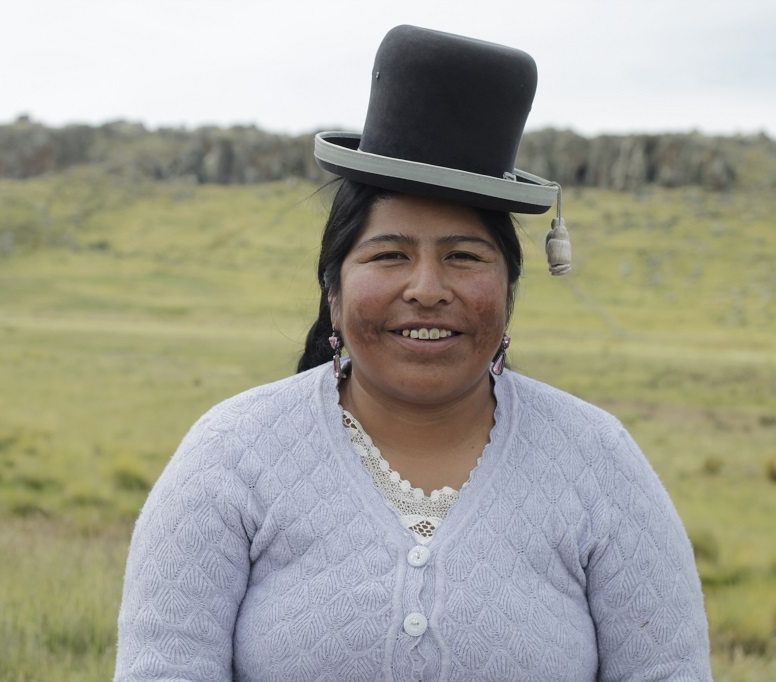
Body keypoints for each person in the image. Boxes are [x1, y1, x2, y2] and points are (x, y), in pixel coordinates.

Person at [115, 25, 711, 681]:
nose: (427, 289)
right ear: (334, 293)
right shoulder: (231, 454)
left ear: (508, 293)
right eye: (389, 255)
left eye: (463, 256)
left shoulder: (598, 463)